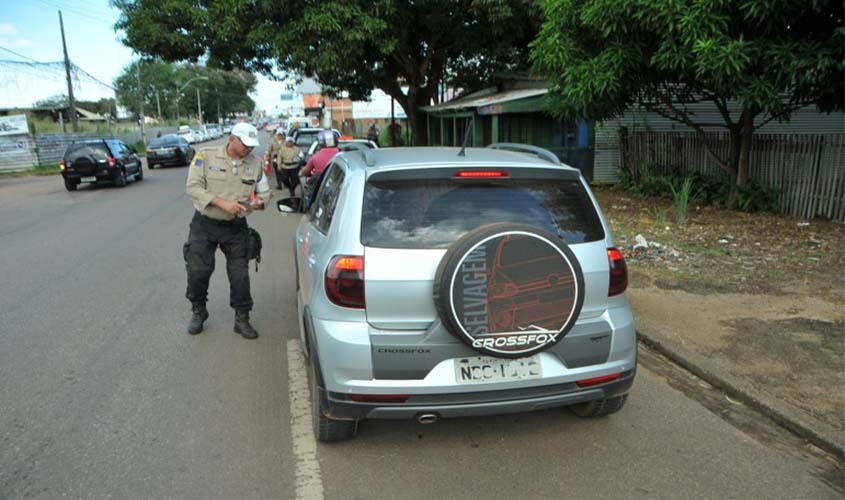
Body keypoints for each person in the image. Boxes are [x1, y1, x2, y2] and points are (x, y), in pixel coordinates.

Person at [184, 122, 271, 339]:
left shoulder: (255, 164)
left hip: (235, 227)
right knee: (198, 271)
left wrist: (260, 202)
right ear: (232, 139)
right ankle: (198, 310)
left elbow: (265, 192)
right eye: (245, 144)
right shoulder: (206, 156)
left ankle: (242, 319)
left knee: (240, 275)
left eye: (252, 145)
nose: (249, 149)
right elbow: (193, 187)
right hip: (205, 224)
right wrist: (222, 203)